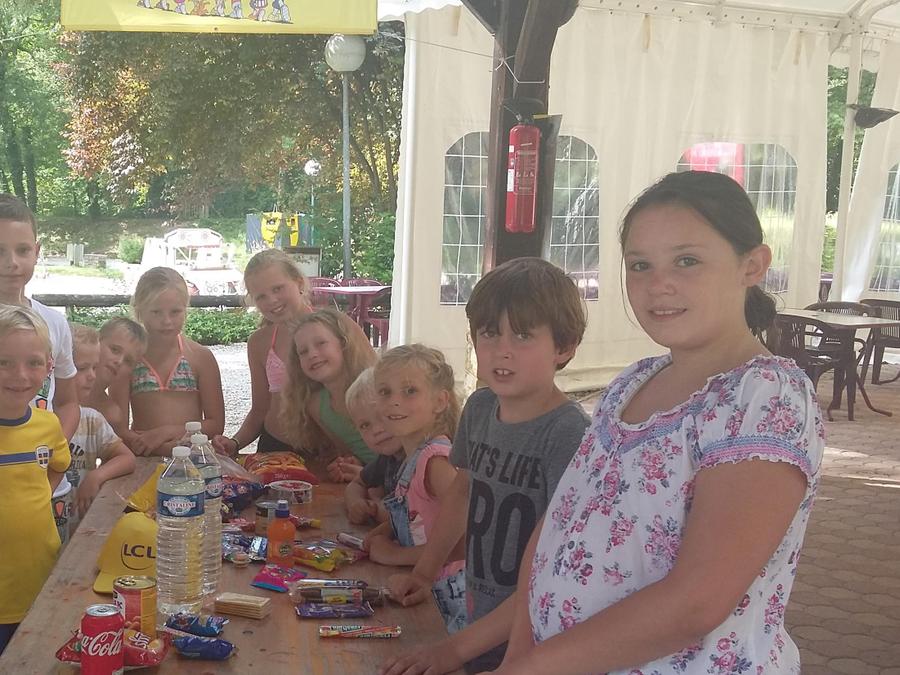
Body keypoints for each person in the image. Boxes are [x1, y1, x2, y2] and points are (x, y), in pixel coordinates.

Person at [492, 171, 825, 675]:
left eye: (687, 260)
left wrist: (530, 668)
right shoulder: (633, 383)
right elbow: (558, 524)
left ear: (752, 265)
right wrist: (520, 650)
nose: (658, 284)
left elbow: (696, 601)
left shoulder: (763, 399)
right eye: (640, 265)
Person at [382, 257, 590, 673]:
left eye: (523, 335)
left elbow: (555, 568)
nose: (502, 350)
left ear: (564, 347)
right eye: (490, 332)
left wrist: (454, 650)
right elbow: (462, 491)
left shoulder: (569, 433)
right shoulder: (479, 408)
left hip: (535, 636)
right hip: (478, 611)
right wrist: (424, 573)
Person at [363, 344, 466, 633]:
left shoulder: (435, 462)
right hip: (423, 590)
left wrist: (394, 555)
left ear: (440, 401)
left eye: (409, 391)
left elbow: (471, 536)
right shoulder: (413, 458)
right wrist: (385, 531)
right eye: (385, 392)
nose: (394, 402)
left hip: (450, 600)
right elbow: (423, 515)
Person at [0, 305, 71, 656]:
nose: (20, 375)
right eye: (4, 362)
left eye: (33, 363)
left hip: (38, 584)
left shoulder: (48, 424)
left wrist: (39, 496)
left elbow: (59, 464)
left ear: (49, 367)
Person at [110, 266, 225, 456]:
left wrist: (167, 433)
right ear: (139, 311)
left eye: (175, 312)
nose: (166, 321)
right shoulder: (128, 360)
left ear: (185, 310)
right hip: (145, 455)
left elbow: (215, 424)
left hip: (192, 457)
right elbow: (117, 428)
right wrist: (158, 447)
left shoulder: (200, 357)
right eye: (156, 312)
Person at [211, 249, 310, 457]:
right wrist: (235, 443)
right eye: (261, 296)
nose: (272, 300)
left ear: (299, 283)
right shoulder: (259, 342)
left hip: (329, 451)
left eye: (278, 288)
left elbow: (362, 395)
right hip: (274, 448)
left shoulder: (337, 326)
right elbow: (260, 410)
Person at [0, 193, 79, 439]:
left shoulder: (54, 323)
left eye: (22, 250)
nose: (11, 262)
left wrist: (55, 450)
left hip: (42, 461)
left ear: (36, 252)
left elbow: (67, 402)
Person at [281, 308, 377, 480]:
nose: (312, 354)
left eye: (321, 343)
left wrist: (371, 474)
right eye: (303, 351)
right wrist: (350, 465)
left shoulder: (375, 390)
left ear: (344, 344)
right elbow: (350, 452)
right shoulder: (316, 406)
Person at [66, 323, 136, 531]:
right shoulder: (37, 419)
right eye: (81, 368)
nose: (92, 376)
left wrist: (96, 476)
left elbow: (127, 458)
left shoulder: (91, 421)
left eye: (94, 368)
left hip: (78, 527)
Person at [343, 367, 405, 525]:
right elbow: (356, 484)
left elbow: (409, 519)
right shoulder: (387, 459)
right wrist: (356, 503)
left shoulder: (421, 460)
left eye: (384, 417)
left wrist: (376, 505)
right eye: (365, 425)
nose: (376, 430)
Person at [86, 317, 147, 438]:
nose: (119, 361)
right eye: (115, 350)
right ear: (97, 342)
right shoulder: (60, 389)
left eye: (128, 361)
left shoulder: (112, 415)